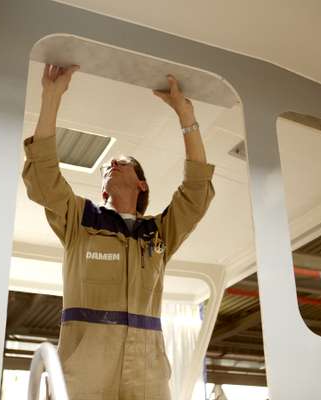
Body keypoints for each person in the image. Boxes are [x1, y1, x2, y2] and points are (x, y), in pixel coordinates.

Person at [22, 64, 215, 400]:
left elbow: (196, 194)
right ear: (103, 193)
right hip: (84, 368)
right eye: (107, 167)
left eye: (121, 161)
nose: (111, 163)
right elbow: (43, 177)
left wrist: (186, 116)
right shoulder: (79, 221)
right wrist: (51, 96)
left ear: (141, 183)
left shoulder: (158, 234)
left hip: (147, 370)